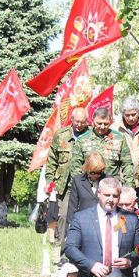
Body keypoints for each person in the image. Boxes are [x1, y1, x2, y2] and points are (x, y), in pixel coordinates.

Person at [47, 107, 90, 249]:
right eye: (77, 121)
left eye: (83, 122)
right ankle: (64, 252)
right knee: (64, 217)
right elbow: (52, 160)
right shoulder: (61, 135)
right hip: (64, 185)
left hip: (85, 184)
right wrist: (49, 182)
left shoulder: (91, 136)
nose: (79, 125)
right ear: (72, 119)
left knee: (84, 218)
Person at [68, 107, 134, 185]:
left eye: (106, 124)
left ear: (110, 122)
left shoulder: (119, 138)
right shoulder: (82, 139)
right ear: (92, 121)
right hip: (88, 186)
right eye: (99, 123)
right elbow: (75, 166)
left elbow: (127, 164)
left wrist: (129, 187)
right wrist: (81, 186)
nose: (102, 127)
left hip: (112, 186)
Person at [66, 153, 108, 222]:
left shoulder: (108, 180)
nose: (96, 175)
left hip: (103, 222)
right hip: (84, 222)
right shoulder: (78, 181)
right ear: (87, 169)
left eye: (99, 172)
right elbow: (72, 208)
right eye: (93, 173)